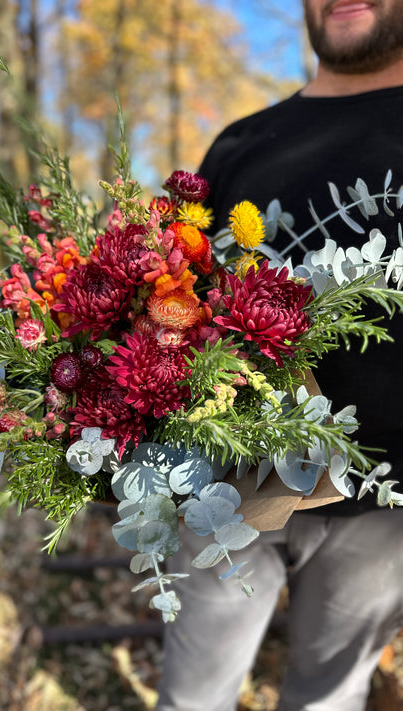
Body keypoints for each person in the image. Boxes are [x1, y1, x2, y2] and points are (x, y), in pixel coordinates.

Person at [156, 1, 403, 709]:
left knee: (328, 699)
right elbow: (172, 301)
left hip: (383, 511)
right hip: (222, 484)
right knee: (190, 698)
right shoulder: (239, 143)